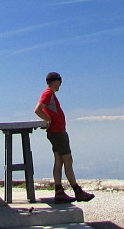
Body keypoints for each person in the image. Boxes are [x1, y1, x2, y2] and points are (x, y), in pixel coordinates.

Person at [34, 71, 94, 203]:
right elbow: (37, 109)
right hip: (57, 132)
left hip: (56, 132)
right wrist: (48, 119)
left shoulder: (49, 94)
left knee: (59, 160)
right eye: (60, 80)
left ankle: (59, 192)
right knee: (67, 159)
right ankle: (77, 191)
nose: (60, 83)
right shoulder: (48, 93)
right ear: (55, 81)